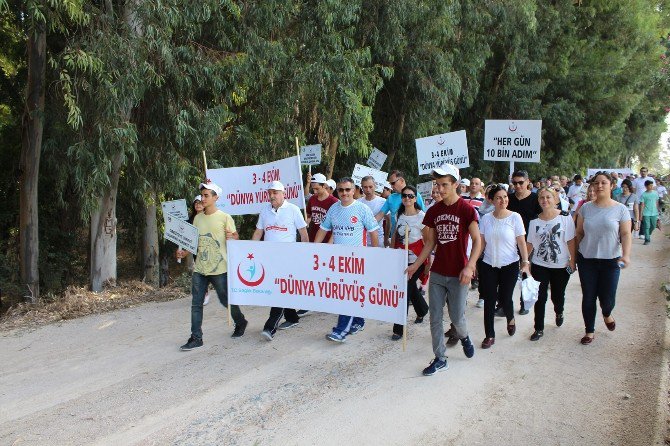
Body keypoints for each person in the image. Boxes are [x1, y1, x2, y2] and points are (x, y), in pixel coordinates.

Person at [406, 164, 481, 376]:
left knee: (457, 318)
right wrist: (416, 265)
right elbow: (430, 243)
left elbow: (477, 241)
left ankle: (465, 336)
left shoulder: (467, 210)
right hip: (438, 272)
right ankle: (440, 358)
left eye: (444, 184)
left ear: (456, 185)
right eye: (437, 184)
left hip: (459, 273)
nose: (440, 188)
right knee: (435, 317)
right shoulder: (434, 211)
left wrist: (470, 266)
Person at [177, 181, 246, 351]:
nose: (203, 198)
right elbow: (193, 242)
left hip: (220, 269)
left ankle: (240, 321)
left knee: (225, 300)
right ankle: (196, 337)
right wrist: (184, 252)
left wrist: (233, 237)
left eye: (207, 195)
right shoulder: (198, 218)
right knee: (196, 303)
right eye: (202, 195)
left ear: (216, 198)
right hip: (200, 268)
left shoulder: (224, 218)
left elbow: (235, 239)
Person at [314, 177, 380, 342]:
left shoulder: (362, 209)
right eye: (341, 190)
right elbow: (323, 229)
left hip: (358, 260)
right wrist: (313, 249)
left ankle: (341, 330)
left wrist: (376, 255)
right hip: (338, 261)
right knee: (348, 294)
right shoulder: (333, 209)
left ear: (354, 190)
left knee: (347, 295)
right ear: (337, 191)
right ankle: (358, 321)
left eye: (347, 189)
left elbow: (373, 232)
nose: (344, 193)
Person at [575, 172, 631, 345]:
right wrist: (574, 256)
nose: (599, 186)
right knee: (589, 296)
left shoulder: (620, 209)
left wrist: (626, 255)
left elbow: (625, 233)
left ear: (612, 185)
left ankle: (607, 313)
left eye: (604, 183)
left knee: (607, 298)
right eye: (596, 183)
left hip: (611, 261)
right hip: (587, 259)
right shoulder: (585, 208)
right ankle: (589, 331)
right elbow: (579, 233)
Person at [252, 181, 309, 340]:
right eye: (270, 192)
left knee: (279, 291)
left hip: (288, 259)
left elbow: (303, 234)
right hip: (269, 259)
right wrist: (249, 251)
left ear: (284, 194)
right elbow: (258, 233)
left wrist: (304, 254)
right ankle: (292, 317)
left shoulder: (293, 210)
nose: (272, 196)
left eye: (275, 192)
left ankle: (270, 327)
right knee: (278, 289)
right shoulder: (265, 211)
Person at [478, 185, 530, 349]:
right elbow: (482, 242)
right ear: (491, 200)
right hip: (488, 264)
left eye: (505, 197)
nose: (503, 200)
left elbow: (521, 242)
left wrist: (525, 262)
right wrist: (473, 262)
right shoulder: (486, 219)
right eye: (499, 198)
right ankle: (489, 335)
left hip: (510, 264)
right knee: (489, 300)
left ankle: (510, 318)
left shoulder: (515, 217)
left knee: (505, 298)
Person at [526, 187, 576, 341]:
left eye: (548, 197)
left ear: (555, 200)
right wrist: (525, 261)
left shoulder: (565, 218)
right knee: (540, 297)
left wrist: (572, 261)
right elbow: (530, 243)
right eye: (542, 197)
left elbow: (571, 241)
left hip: (561, 265)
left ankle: (559, 310)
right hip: (540, 264)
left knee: (557, 295)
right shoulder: (534, 221)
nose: (545, 200)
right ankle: (538, 328)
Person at [390, 185, 429, 340]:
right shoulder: (399, 214)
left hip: (417, 260)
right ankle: (422, 309)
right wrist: (391, 253)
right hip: (401, 259)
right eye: (405, 196)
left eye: (411, 196)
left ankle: (398, 328)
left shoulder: (422, 217)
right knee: (410, 288)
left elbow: (428, 242)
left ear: (415, 198)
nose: (407, 198)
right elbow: (394, 235)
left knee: (405, 290)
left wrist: (428, 264)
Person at [507, 170, 541, 315]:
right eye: (515, 183)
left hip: (530, 241)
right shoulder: (508, 198)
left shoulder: (536, 199)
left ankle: (524, 303)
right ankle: (504, 303)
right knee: (508, 272)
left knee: (526, 271)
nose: (518, 186)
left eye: (521, 182)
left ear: (528, 182)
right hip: (510, 241)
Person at [375, 170, 425, 244]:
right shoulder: (391, 198)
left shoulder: (415, 195)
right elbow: (380, 215)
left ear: (402, 180)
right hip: (396, 240)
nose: (391, 187)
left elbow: (424, 219)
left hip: (414, 241)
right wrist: (366, 224)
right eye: (390, 184)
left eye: (393, 183)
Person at [188, 195, 209, 305]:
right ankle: (204, 293)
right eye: (196, 203)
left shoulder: (208, 217)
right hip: (195, 249)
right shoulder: (190, 219)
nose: (198, 205)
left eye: (200, 203)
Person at [306, 173, 338, 243]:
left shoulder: (334, 202)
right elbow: (308, 215)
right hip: (313, 238)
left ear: (324, 186)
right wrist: (307, 221)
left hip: (327, 240)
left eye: (317, 189)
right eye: (313, 189)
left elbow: (337, 225)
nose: (314, 191)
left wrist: (330, 242)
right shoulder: (312, 199)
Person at [358, 175, 387, 247]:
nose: (368, 190)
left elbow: (389, 221)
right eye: (365, 187)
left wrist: (386, 239)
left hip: (379, 240)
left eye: (370, 187)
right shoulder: (358, 203)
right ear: (362, 187)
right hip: (362, 241)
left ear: (375, 186)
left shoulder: (383, 202)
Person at [639, 180, 660, 245]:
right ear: (646, 186)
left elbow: (657, 202)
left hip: (654, 212)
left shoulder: (655, 193)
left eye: (652, 185)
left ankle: (648, 234)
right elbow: (642, 205)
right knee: (647, 226)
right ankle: (647, 239)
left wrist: (657, 210)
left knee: (653, 226)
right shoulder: (643, 195)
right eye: (649, 185)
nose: (651, 187)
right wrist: (641, 214)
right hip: (646, 213)